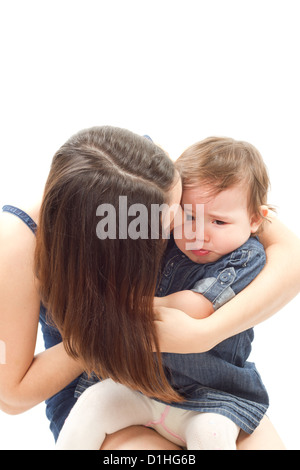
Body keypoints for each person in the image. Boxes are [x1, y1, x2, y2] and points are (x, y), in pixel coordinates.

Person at [0, 129, 299, 450]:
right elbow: (12, 395)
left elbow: (288, 254)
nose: (189, 233)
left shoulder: (153, 173)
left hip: (208, 383)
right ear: (114, 236)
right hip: (105, 379)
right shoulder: (16, 243)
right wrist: (112, 326)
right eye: (174, 222)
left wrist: (206, 332)